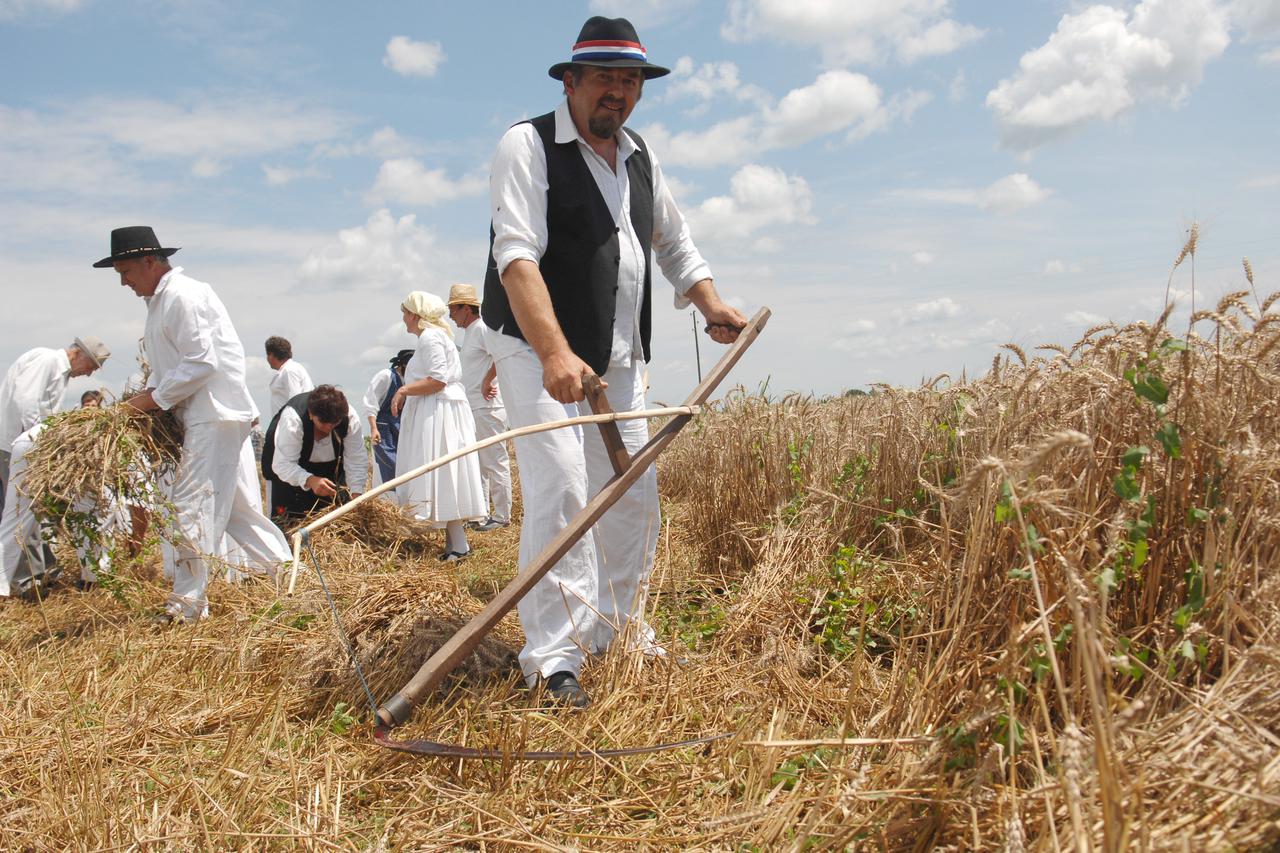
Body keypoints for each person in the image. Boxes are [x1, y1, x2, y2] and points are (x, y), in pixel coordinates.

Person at [482, 16, 747, 706]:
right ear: (571, 81)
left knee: (631, 493)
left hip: (619, 358)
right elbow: (515, 257)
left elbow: (674, 245)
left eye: (629, 81)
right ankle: (551, 655)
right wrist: (555, 351)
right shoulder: (528, 145)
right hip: (537, 349)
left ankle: (618, 629)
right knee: (565, 487)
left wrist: (711, 303)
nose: (617, 93)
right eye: (604, 78)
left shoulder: (638, 157)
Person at [94, 225, 292, 623]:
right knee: (237, 512)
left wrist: (149, 402)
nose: (124, 283)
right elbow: (172, 366)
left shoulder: (183, 296)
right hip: (206, 415)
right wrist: (144, 400)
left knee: (190, 509)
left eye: (126, 272)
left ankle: (186, 608)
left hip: (212, 413)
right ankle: (288, 576)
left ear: (150, 262)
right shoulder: (160, 302)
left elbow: (202, 362)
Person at [392, 292, 486, 561]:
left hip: (438, 411)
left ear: (416, 315)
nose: (404, 318)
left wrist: (404, 390)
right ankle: (456, 544)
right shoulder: (433, 337)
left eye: (406, 312)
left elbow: (438, 380)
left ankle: (458, 546)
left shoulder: (431, 337)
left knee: (442, 471)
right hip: (436, 408)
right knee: (444, 475)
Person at [0, 336, 110, 515]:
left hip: (24, 447)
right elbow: (26, 403)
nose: (89, 374)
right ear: (78, 354)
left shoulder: (59, 371)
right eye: (91, 367)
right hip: (17, 447)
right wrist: (40, 446)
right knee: (18, 511)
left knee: (23, 510)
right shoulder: (47, 360)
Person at [447, 284, 512, 532]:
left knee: (494, 461)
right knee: (480, 463)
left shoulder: (483, 329)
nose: (451, 316)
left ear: (466, 308)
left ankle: (502, 514)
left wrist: (487, 381)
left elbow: (501, 354)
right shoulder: (471, 333)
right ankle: (481, 512)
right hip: (475, 407)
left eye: (453, 309)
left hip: (487, 406)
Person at [261, 384, 369, 522]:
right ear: (311, 414)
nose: (329, 428)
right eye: (323, 423)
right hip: (288, 479)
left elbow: (356, 459)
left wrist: (356, 495)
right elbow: (282, 464)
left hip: (329, 476)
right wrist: (310, 480)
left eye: (334, 423)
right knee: (287, 526)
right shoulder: (293, 418)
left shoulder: (348, 417)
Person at [361, 349, 414, 494]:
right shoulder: (386, 376)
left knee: (405, 467)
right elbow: (370, 403)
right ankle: (387, 501)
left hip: (401, 427)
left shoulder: (411, 381)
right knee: (389, 465)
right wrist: (373, 428)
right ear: (403, 366)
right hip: (383, 428)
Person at [265, 336, 314, 418]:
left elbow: (295, 402)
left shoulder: (289, 371)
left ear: (271, 355)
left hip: (291, 424)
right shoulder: (288, 369)